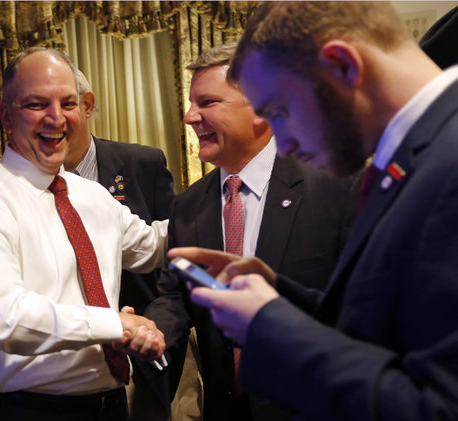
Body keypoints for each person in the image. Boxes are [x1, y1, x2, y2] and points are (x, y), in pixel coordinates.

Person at [184, 2, 458, 420]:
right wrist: (280, 294)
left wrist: (272, 327)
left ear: (342, 66)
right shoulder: (411, 156)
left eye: (279, 112)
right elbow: (388, 331)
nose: (285, 144)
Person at [0, 47, 168, 421]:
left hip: (111, 405)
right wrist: (115, 324)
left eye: (68, 102)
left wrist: (224, 197)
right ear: (5, 115)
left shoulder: (90, 195)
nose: (57, 117)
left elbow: (153, 247)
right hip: (28, 411)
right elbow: (0, 320)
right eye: (37, 104)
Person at [142, 43, 358, 421]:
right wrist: (151, 335)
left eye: (207, 102)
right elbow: (176, 294)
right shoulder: (188, 205)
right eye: (192, 103)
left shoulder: (337, 187)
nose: (191, 116)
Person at [65, 69, 175, 420]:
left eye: (65, 104)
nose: (52, 118)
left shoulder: (143, 164)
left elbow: (162, 248)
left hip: (146, 344)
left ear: (88, 105)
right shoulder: (15, 192)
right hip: (69, 362)